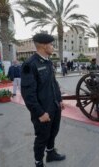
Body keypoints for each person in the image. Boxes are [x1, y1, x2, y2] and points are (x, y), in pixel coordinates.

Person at [21, 33, 66, 167]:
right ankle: (39, 162)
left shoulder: (48, 61)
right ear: (43, 45)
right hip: (42, 110)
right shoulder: (30, 64)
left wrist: (59, 100)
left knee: (53, 132)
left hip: (54, 106)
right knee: (42, 137)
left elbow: (54, 83)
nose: (53, 47)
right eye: (51, 45)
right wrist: (40, 113)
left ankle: (51, 154)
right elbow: (28, 94)